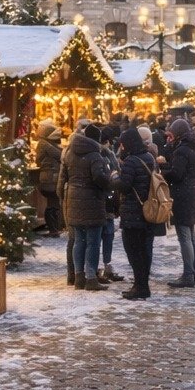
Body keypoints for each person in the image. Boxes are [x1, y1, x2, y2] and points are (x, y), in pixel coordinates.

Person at [60, 122, 113, 291]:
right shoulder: (95, 155)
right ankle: (91, 278)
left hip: (73, 199)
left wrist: (62, 197)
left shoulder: (69, 152)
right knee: (93, 242)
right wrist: (109, 181)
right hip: (92, 201)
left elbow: (63, 177)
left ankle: (78, 277)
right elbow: (98, 177)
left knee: (78, 241)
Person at [112, 126, 158, 299]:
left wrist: (114, 178)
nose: (122, 147)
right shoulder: (148, 157)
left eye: (123, 144)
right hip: (148, 210)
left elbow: (124, 186)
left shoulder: (131, 161)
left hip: (133, 212)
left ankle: (140, 286)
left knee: (133, 251)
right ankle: (142, 285)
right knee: (144, 251)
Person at [164, 117, 195, 287]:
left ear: (178, 133)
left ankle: (188, 275)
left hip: (182, 195)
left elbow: (177, 174)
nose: (170, 137)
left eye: (172, 134)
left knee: (184, 236)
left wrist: (163, 171)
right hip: (193, 192)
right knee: (191, 235)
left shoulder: (182, 150)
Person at [98, 127, 125, 282]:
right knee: (103, 235)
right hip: (102, 201)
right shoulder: (102, 156)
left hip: (105, 202)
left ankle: (104, 266)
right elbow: (112, 177)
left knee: (105, 235)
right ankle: (102, 267)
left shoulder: (108, 155)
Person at [34, 119, 63, 237]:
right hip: (51, 178)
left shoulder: (44, 144)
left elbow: (38, 160)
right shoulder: (47, 145)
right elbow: (60, 156)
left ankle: (54, 229)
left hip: (49, 178)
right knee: (53, 203)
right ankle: (54, 229)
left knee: (52, 204)